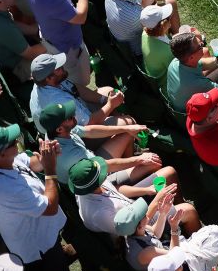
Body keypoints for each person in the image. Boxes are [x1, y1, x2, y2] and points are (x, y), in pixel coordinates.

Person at [37, 99, 167, 196]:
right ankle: (131, 184)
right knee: (154, 163)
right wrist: (140, 160)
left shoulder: (56, 131)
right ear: (60, 128)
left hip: (93, 162)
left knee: (127, 135)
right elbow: (105, 165)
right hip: (94, 181)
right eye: (70, 117)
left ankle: (132, 170)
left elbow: (90, 131)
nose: (74, 116)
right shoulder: (69, 155)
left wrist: (127, 128)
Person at [0, 126, 69, 271]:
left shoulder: (8, 160)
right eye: (11, 142)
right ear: (1, 154)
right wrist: (50, 169)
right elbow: (50, 207)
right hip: (39, 249)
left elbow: (32, 163)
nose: (16, 140)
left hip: (45, 232)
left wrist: (48, 155)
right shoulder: (5, 189)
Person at [70, 156, 203, 238]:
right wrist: (157, 201)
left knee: (168, 172)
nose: (106, 170)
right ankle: (199, 240)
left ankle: (178, 217)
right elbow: (137, 230)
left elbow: (117, 190)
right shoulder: (99, 214)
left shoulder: (86, 185)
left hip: (133, 206)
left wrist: (146, 190)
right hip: (138, 223)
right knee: (188, 211)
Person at [24, 0, 95, 86]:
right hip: (68, 47)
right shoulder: (50, 1)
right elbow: (80, 17)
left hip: (53, 39)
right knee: (81, 82)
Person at [28, 52, 133, 133]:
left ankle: (117, 121)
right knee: (128, 122)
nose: (62, 67)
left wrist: (104, 100)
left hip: (82, 113)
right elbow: (90, 123)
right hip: (79, 135)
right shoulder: (58, 101)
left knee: (110, 92)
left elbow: (75, 89)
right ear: (48, 78)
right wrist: (110, 105)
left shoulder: (46, 81)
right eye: (58, 68)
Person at [104, 0, 177, 55]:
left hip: (122, 38)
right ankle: (178, 39)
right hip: (139, 48)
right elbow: (152, 23)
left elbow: (141, 1)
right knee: (171, 2)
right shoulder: (134, 15)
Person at [166, 33, 218, 111]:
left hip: (181, 102)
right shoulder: (197, 83)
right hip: (195, 115)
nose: (202, 44)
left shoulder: (176, 62)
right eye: (200, 46)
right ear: (191, 57)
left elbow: (202, 64)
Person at [0, 0, 46, 82]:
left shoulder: (2, 14)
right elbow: (31, 54)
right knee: (57, 54)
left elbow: (31, 29)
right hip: (17, 67)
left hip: (21, 55)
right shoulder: (3, 26)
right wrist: (55, 41)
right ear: (0, 2)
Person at [139, 3, 175, 87]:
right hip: (165, 83)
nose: (170, 18)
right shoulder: (167, 52)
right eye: (168, 18)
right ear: (162, 26)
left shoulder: (144, 33)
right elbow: (178, 70)